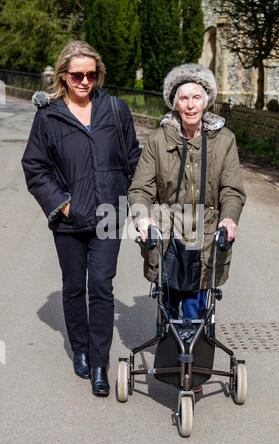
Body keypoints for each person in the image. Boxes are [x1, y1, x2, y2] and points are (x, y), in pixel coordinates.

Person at [22, 41, 141, 397]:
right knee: (74, 287)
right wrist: (63, 205)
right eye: (77, 75)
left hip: (109, 215)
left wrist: (142, 202)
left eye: (91, 74)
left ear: (98, 74)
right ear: (64, 76)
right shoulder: (49, 116)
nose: (85, 81)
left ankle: (100, 364)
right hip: (69, 221)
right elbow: (35, 167)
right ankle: (82, 350)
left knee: (101, 287)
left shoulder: (116, 110)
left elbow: (133, 157)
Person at [128, 62, 246, 332]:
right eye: (184, 98)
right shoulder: (158, 141)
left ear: (206, 102)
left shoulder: (224, 140)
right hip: (168, 233)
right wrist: (143, 219)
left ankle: (193, 365)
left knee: (195, 309)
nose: (191, 105)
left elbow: (232, 189)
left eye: (196, 98)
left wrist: (228, 219)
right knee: (167, 304)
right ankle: (169, 356)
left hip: (205, 234)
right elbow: (140, 189)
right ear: (175, 103)